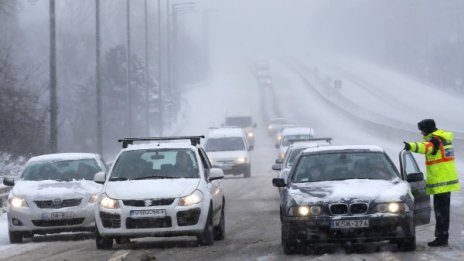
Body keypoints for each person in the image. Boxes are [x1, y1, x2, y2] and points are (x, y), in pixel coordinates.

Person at [404, 119, 460, 247]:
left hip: (441, 182)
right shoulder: (442, 138)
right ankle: (442, 237)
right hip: (446, 181)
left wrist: (410, 146)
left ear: (428, 129)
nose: (421, 133)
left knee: (441, 213)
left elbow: (425, 148)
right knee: (443, 213)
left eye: (422, 130)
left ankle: (441, 239)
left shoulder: (435, 140)